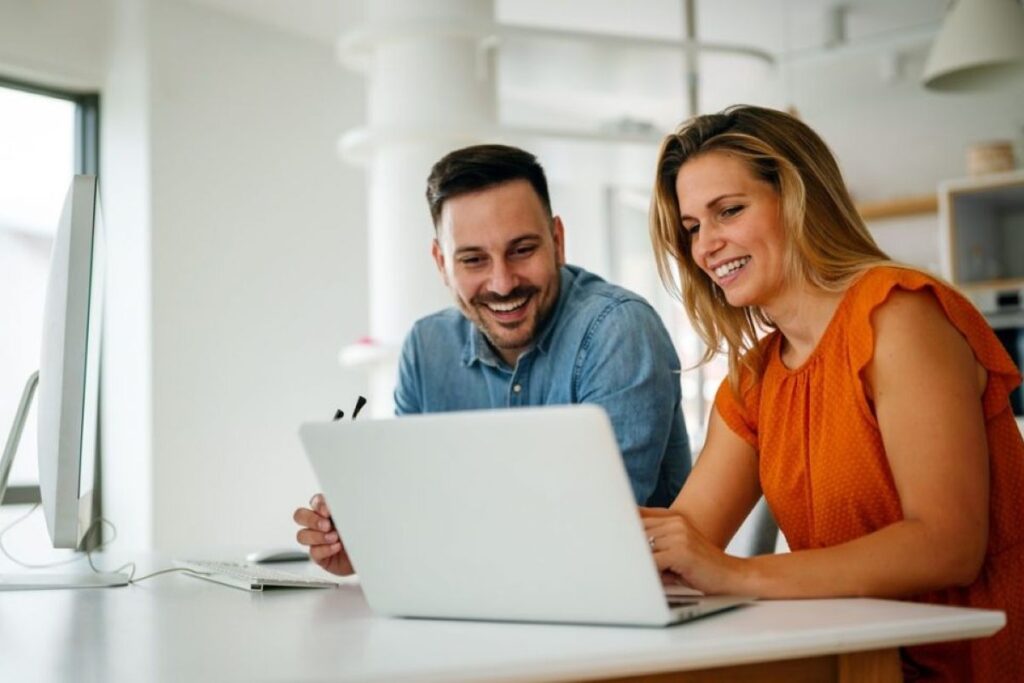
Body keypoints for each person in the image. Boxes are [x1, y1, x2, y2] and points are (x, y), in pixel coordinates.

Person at [642, 104, 1023, 681]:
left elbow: (948, 543)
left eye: (730, 211)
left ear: (799, 201)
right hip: (856, 656)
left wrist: (739, 574)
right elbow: (685, 542)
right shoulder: (754, 381)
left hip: (965, 662)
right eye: (693, 228)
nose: (706, 246)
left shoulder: (898, 317)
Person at [295, 144, 691, 575]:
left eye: (522, 250)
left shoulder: (618, 331)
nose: (502, 283)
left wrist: (418, 534)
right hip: (478, 607)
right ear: (441, 263)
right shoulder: (427, 348)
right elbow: (416, 505)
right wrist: (370, 543)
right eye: (473, 259)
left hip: (619, 612)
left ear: (557, 242)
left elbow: (596, 533)